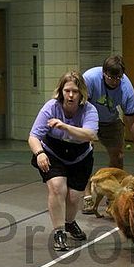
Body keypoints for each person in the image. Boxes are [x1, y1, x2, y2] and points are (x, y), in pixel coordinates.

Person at [28, 70, 99, 251]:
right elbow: (34, 136)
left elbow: (90, 134)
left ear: (81, 93)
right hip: (53, 153)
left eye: (75, 91)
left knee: (74, 197)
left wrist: (64, 126)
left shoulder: (89, 110)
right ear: (61, 92)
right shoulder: (51, 107)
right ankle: (59, 232)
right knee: (57, 187)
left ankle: (69, 222)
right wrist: (39, 153)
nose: (70, 95)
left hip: (80, 156)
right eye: (67, 90)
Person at [81, 54, 134, 214]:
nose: (115, 81)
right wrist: (85, 132)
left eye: (119, 77)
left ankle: (113, 196)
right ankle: (87, 197)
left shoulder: (126, 89)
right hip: (89, 119)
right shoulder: (90, 78)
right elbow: (80, 106)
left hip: (110, 121)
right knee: (84, 155)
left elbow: (132, 120)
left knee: (117, 157)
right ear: (104, 73)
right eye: (111, 77)